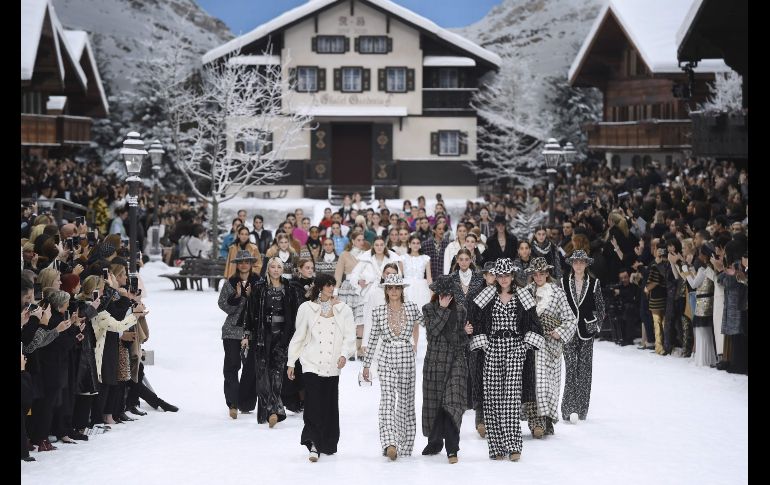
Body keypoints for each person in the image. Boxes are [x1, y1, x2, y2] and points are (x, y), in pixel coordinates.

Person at [468, 258, 543, 461]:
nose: (503, 279)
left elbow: (534, 323)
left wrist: (525, 345)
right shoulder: (486, 296)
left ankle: (513, 445)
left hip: (515, 348)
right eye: (500, 276)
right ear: (496, 277)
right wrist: (482, 341)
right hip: (492, 348)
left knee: (511, 398)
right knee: (492, 397)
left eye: (506, 275)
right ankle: (496, 447)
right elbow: (474, 318)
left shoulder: (523, 295)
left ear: (512, 276)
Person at [287, 273, 356, 462]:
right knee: (312, 404)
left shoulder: (344, 310)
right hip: (311, 362)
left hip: (333, 364)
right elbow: (299, 336)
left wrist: (344, 354)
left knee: (328, 404)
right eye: (327, 285)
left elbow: (349, 337)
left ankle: (327, 442)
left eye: (332, 285)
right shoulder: (306, 308)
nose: (330, 289)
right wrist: (291, 361)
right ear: (319, 287)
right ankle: (313, 444)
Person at [361, 274, 422, 461]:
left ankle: (404, 444)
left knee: (405, 403)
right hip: (386, 356)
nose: (394, 291)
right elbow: (372, 338)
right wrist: (366, 365)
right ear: (386, 290)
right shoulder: (379, 311)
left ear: (402, 289)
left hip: (406, 356)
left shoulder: (412, 308)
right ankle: (390, 443)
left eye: (397, 287)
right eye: (390, 288)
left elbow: (429, 323)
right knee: (387, 400)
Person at [420, 275, 473, 464]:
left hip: (456, 362)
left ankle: (452, 448)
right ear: (436, 293)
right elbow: (433, 332)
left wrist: (465, 334)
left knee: (453, 405)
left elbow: (460, 341)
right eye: (442, 293)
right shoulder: (428, 309)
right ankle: (434, 441)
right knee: (435, 406)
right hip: (435, 363)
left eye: (449, 293)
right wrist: (442, 309)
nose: (446, 296)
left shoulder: (461, 310)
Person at [243, 257, 298, 427]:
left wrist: (295, 337)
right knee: (262, 375)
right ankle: (271, 410)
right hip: (262, 335)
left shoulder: (289, 288)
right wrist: (246, 335)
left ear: (283, 269)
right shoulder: (259, 287)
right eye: (272, 266)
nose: (275, 269)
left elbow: (295, 314)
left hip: (282, 335)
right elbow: (250, 313)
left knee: (277, 374)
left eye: (279, 267)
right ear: (268, 268)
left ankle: (273, 411)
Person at [559, 250, 603, 424]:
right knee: (570, 369)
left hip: (587, 330)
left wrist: (596, 325)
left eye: (581, 262)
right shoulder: (563, 283)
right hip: (568, 331)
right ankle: (568, 409)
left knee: (584, 371)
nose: (578, 265)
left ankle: (582, 409)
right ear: (572, 264)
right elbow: (559, 307)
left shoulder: (594, 283)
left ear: (586, 264)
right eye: (575, 262)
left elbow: (601, 306)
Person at [217, 250, 261, 419]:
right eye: (240, 262)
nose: (243, 264)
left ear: (251, 264)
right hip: (231, 331)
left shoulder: (258, 282)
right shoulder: (230, 282)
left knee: (251, 368)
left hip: (252, 331)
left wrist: (251, 296)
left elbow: (262, 306)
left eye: (247, 261)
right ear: (237, 264)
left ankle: (247, 403)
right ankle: (233, 403)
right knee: (231, 366)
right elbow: (223, 306)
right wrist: (236, 296)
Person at [681, 244, 718, 367]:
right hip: (708, 302)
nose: (699, 256)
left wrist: (685, 270)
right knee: (706, 332)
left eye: (701, 254)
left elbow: (693, 284)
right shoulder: (710, 268)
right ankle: (709, 358)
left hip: (702, 303)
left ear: (705, 256)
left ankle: (703, 360)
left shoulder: (704, 270)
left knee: (702, 332)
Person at [333, 230, 367, 360]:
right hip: (347, 288)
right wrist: (335, 291)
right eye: (358, 240)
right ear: (352, 241)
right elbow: (338, 274)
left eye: (362, 240)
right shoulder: (345, 255)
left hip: (361, 289)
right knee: (347, 320)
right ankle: (350, 350)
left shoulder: (366, 255)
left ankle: (360, 350)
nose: (361, 242)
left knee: (361, 319)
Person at [402, 236, 432, 308]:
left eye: (418, 243)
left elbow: (429, 277)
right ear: (409, 244)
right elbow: (399, 275)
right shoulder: (403, 258)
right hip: (406, 288)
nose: (416, 245)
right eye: (413, 243)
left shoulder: (426, 258)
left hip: (422, 288)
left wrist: (432, 292)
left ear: (420, 245)